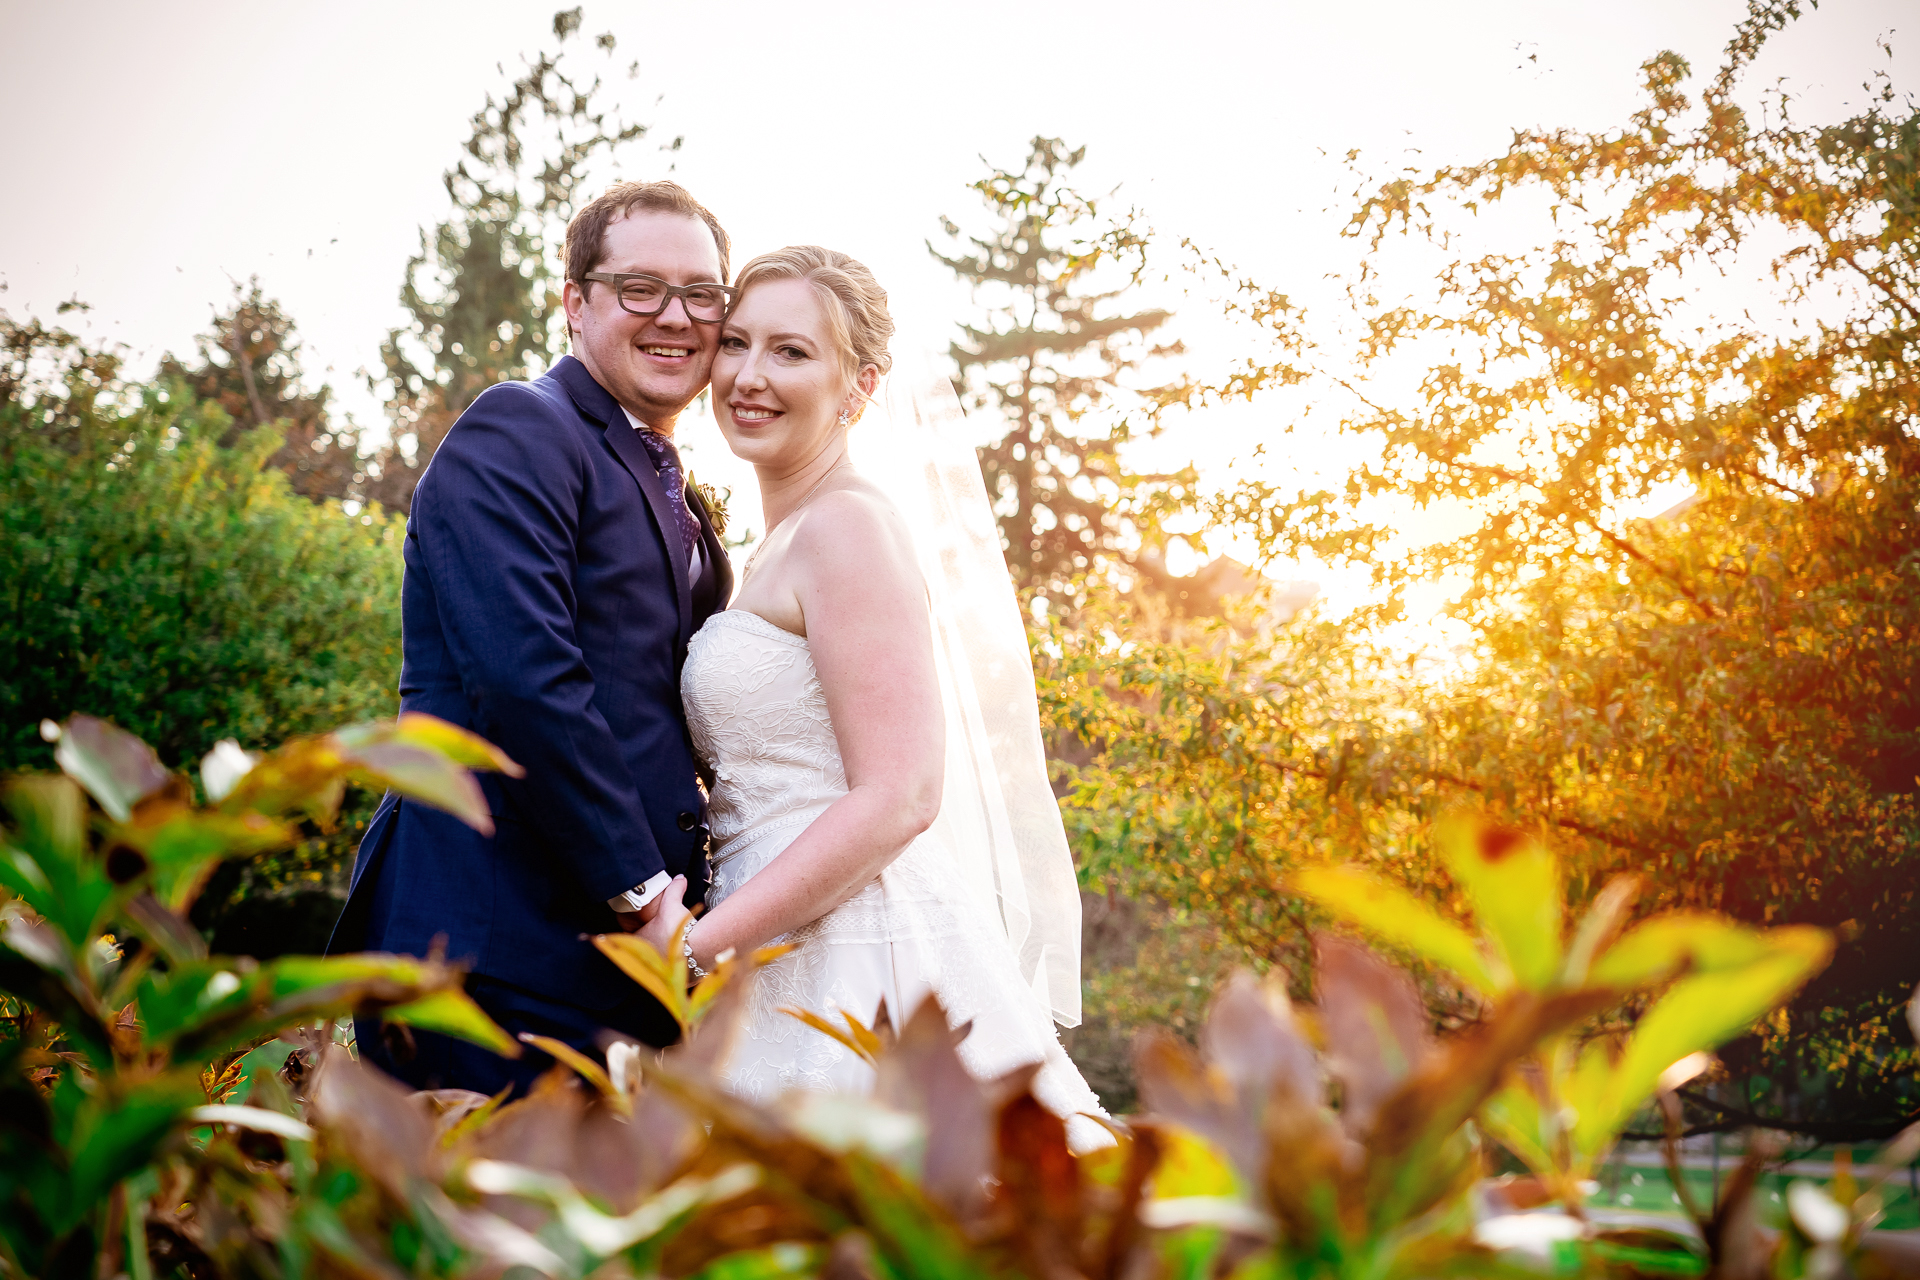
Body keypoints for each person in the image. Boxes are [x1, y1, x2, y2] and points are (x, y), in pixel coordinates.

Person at [638, 246, 1110, 1150]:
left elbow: (900, 797)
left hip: (856, 945)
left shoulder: (847, 526)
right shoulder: (776, 543)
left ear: (861, 387)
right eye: (735, 343)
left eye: (791, 352)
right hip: (781, 936)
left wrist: (697, 948)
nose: (746, 375)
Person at [329, 181, 735, 1095]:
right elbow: (523, 677)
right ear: (575, 303)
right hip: (485, 949)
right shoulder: (519, 429)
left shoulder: (675, 489)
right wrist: (642, 893)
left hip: (617, 974)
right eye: (641, 288)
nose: (676, 317)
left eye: (702, 294)